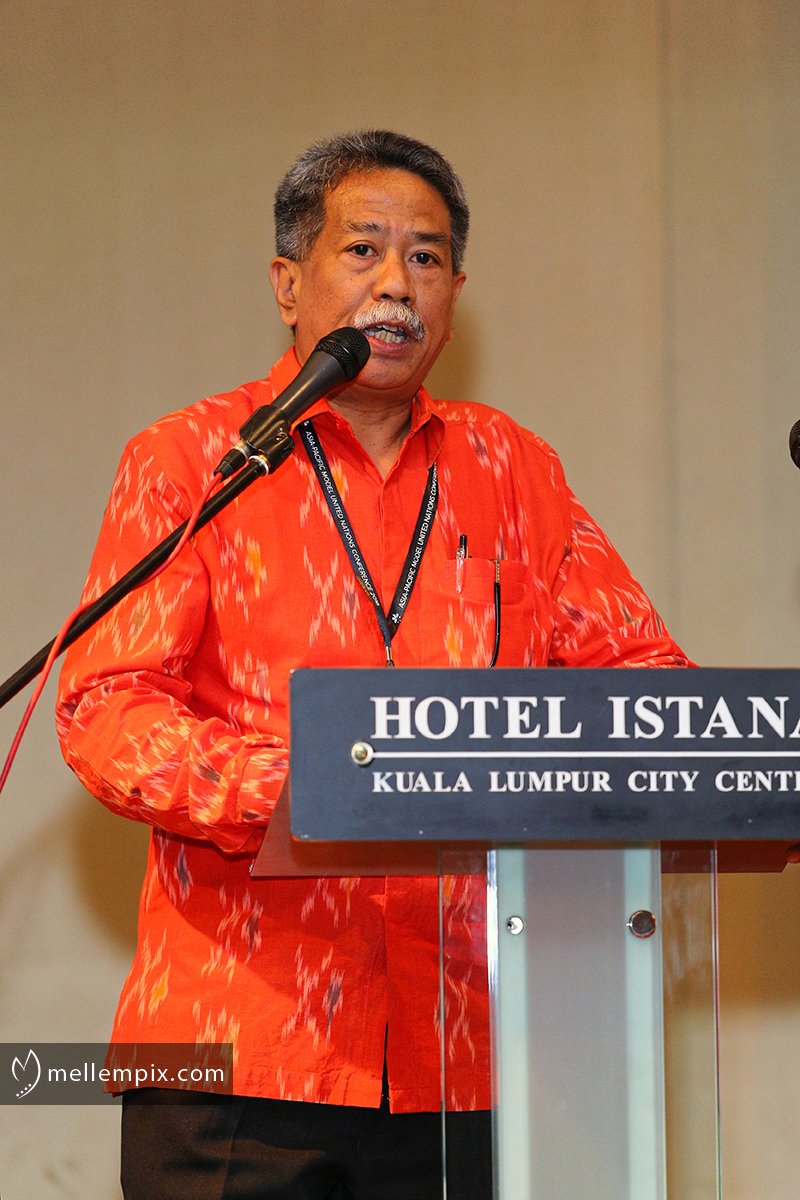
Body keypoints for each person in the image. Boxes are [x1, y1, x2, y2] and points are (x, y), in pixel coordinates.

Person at [56, 130, 690, 1199]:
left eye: (427, 257)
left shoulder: (513, 470)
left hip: (475, 1058)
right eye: (363, 250)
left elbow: (645, 681)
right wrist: (311, 789)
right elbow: (108, 708)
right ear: (287, 283)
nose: (397, 282)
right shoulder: (192, 461)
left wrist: (560, 769)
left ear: (455, 295)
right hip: (236, 1050)